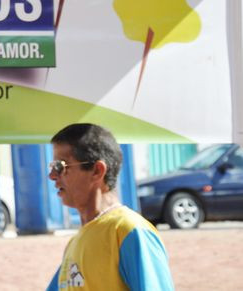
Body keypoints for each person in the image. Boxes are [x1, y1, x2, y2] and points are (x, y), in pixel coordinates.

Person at [46, 123, 174, 291]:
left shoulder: (129, 231)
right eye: (53, 167)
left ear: (97, 171)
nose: (52, 176)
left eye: (60, 167)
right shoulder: (74, 243)